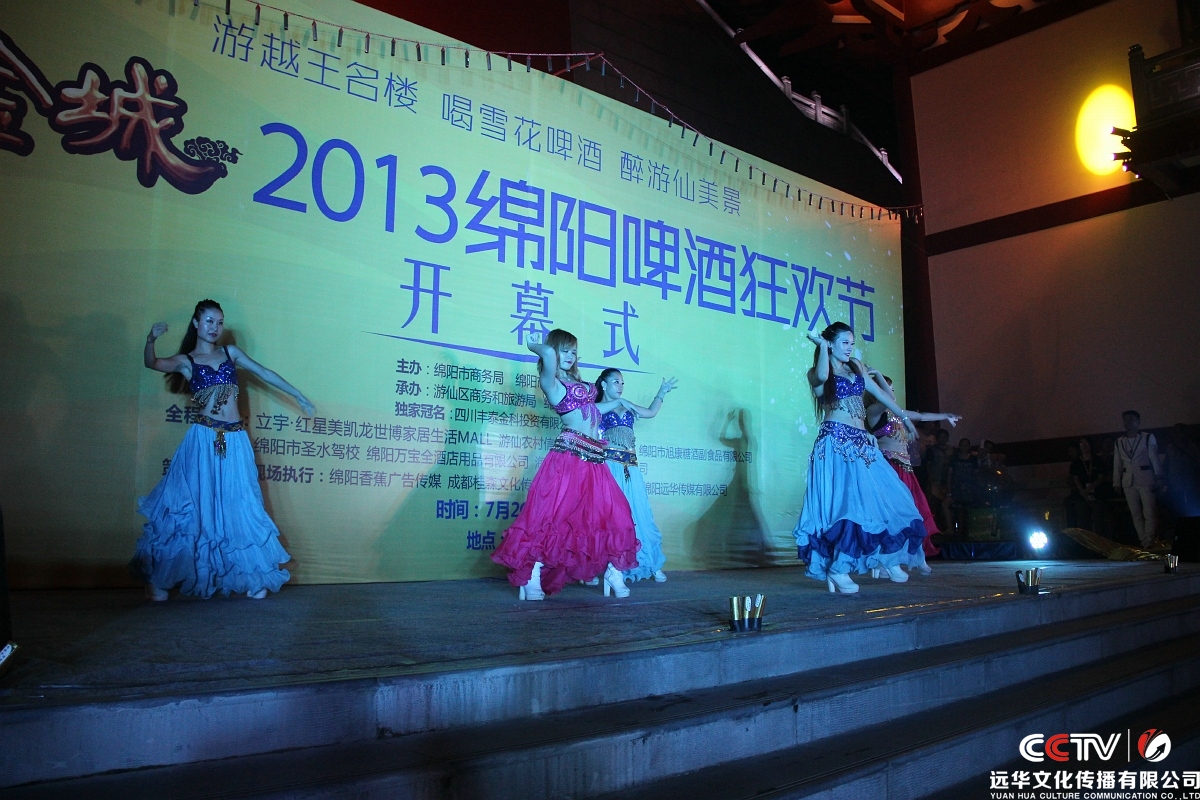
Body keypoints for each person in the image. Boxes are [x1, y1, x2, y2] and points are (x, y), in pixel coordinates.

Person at [134, 300, 314, 600]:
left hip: (235, 439)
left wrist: (298, 395)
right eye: (209, 321)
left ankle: (249, 575)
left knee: (240, 503)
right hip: (203, 440)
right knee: (194, 507)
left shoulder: (230, 353)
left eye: (219, 322)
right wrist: (151, 339)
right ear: (196, 323)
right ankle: (161, 579)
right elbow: (152, 363)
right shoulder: (186, 361)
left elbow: (264, 372)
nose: (214, 327)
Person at [491, 330, 640, 599]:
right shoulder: (552, 383)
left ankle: (614, 572)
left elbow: (590, 411)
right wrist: (534, 344)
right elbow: (548, 354)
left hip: (595, 460)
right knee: (550, 518)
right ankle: (531, 573)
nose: (570, 356)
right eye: (565, 350)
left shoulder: (577, 383)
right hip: (568, 458)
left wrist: (618, 401)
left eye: (573, 351)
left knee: (615, 515)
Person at [792, 322, 928, 594]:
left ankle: (887, 558)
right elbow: (822, 375)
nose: (850, 348)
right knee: (849, 507)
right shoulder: (817, 373)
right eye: (844, 343)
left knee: (890, 498)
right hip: (835, 444)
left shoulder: (855, 368)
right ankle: (839, 568)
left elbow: (882, 396)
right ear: (830, 343)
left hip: (862, 443)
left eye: (852, 343)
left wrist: (904, 419)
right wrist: (821, 348)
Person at [864, 374, 962, 568]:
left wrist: (945, 415)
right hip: (889, 469)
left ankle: (916, 555)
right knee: (893, 514)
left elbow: (922, 416)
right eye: (886, 389)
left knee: (915, 512)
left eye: (892, 389)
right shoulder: (873, 411)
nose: (891, 392)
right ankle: (886, 559)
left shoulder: (897, 413)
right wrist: (882, 385)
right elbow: (889, 400)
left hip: (906, 469)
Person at [595, 369, 678, 583]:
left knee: (640, 514)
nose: (620, 386)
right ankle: (607, 567)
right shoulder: (597, 408)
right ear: (604, 384)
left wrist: (661, 392)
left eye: (622, 383)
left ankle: (649, 562)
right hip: (609, 468)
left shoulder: (627, 405)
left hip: (630, 469)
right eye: (616, 382)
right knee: (610, 517)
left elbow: (650, 412)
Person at [1113, 410, 1164, 548]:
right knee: (1135, 513)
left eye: (1131, 419)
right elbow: (1117, 463)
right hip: (1128, 481)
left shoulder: (1148, 437)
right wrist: (1116, 482)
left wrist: (1159, 476)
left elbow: (1154, 458)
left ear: (1138, 421)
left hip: (1146, 478)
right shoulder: (1119, 441)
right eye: (1125, 419)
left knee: (1149, 511)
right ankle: (1144, 541)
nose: (1128, 422)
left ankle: (1149, 540)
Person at [946, 437, 979, 534]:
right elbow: (950, 474)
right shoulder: (954, 458)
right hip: (957, 487)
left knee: (968, 509)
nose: (964, 447)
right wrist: (949, 488)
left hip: (969, 488)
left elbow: (976, 474)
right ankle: (954, 530)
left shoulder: (973, 459)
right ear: (959, 446)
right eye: (962, 445)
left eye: (966, 445)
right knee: (958, 509)